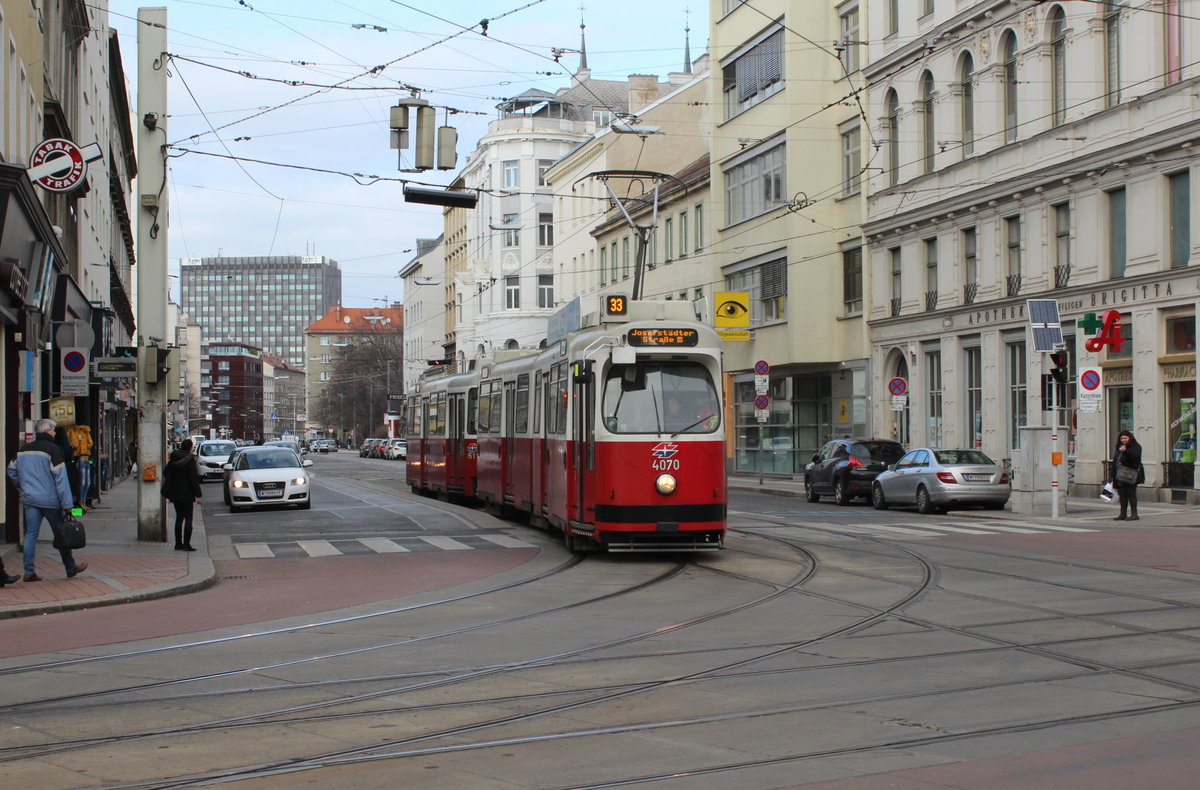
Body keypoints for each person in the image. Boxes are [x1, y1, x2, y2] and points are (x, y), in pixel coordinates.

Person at [7, 418, 87, 581]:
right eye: (53, 430)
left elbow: (11, 470)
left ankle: (29, 571)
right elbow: (61, 479)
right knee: (61, 534)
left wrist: (22, 487)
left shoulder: (23, 449)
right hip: (50, 500)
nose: (55, 433)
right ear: (46, 431)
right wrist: (67, 504)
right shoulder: (53, 450)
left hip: (30, 499)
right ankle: (70, 566)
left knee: (30, 535)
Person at [162, 438, 203, 551]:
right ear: (190, 447)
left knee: (179, 518)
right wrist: (198, 494)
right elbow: (193, 479)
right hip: (187, 493)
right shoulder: (190, 459)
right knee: (188, 519)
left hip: (175, 493)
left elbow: (166, 472)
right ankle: (186, 544)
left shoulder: (173, 457)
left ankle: (178, 543)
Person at [1111, 429, 1144, 521]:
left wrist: (1125, 452)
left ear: (1130, 438)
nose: (1123, 440)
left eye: (1125, 438)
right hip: (1119, 475)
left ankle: (1134, 514)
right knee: (1122, 495)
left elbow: (1135, 458)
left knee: (1131, 494)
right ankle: (1123, 513)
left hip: (1130, 474)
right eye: (1122, 438)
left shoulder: (1135, 446)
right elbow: (1115, 460)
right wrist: (1113, 475)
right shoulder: (1119, 447)